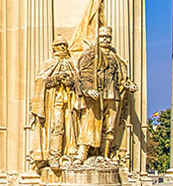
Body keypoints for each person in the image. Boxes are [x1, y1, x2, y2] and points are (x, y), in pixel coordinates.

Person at [75, 27, 137, 162]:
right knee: (89, 123)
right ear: (97, 38)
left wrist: (128, 84)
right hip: (96, 95)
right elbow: (84, 73)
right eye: (102, 37)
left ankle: (105, 154)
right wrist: (88, 89)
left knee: (110, 127)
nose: (105, 39)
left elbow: (121, 75)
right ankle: (82, 153)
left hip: (112, 94)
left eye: (108, 37)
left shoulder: (115, 57)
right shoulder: (91, 54)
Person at [29, 36, 79, 170]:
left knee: (71, 128)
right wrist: (56, 79)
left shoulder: (71, 63)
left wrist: (70, 81)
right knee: (58, 126)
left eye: (64, 44)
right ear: (54, 47)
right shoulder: (48, 63)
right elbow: (41, 82)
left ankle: (71, 154)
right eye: (60, 45)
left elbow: (77, 82)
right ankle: (54, 156)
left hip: (70, 101)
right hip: (54, 101)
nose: (63, 47)